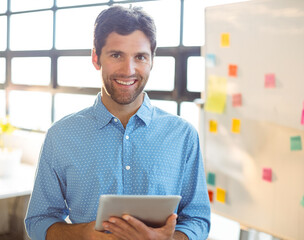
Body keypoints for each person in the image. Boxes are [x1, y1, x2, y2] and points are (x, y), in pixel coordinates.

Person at [25, 5, 210, 240]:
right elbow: (39, 222)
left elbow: (197, 219)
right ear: (95, 58)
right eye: (116, 55)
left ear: (152, 60)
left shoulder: (182, 135)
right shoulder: (60, 135)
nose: (128, 70)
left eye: (140, 57)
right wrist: (85, 233)